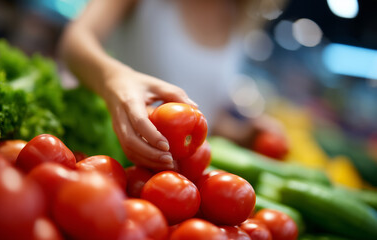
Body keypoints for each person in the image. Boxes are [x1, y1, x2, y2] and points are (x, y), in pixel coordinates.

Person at [59, 0, 286, 170]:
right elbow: (75, 40)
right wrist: (113, 79)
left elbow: (199, 112)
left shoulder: (238, 18)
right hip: (98, 156)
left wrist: (242, 136)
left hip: (168, 177)